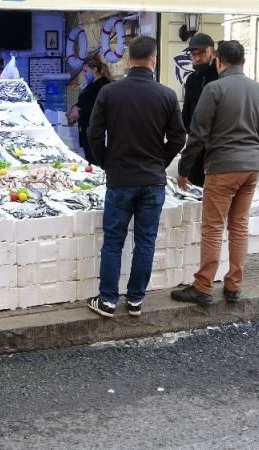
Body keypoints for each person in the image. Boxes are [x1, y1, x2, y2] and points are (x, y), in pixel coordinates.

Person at [85, 36, 187, 318]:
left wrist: (107, 162)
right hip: (153, 180)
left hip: (120, 178)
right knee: (146, 241)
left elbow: (93, 134)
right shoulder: (166, 95)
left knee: (114, 240)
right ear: (153, 60)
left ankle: (107, 300)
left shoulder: (109, 93)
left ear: (129, 59)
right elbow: (178, 137)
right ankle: (135, 300)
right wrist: (161, 162)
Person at [171, 41, 259, 306]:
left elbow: (198, 134)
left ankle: (203, 286)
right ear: (242, 60)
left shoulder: (214, 88)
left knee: (214, 227)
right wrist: (247, 148)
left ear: (218, 61)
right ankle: (233, 285)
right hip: (251, 167)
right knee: (239, 226)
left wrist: (184, 169)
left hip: (223, 166)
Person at [180, 33, 219, 188]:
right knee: (194, 187)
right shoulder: (192, 79)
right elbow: (187, 110)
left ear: (212, 52)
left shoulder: (220, 77)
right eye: (193, 54)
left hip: (216, 145)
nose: (196, 58)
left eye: (201, 53)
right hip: (196, 143)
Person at [66, 56, 111, 165]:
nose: (84, 74)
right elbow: (84, 101)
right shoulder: (91, 85)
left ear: (95, 69)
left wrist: (79, 113)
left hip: (97, 134)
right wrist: (74, 108)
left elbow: (96, 107)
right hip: (86, 131)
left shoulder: (103, 86)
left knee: (96, 164)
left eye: (86, 71)